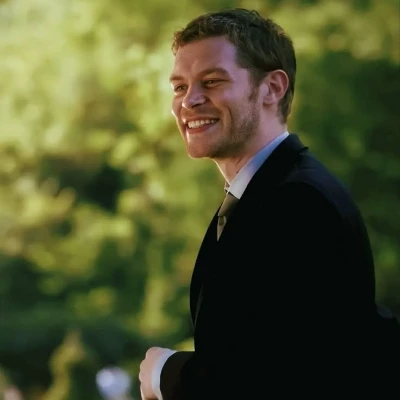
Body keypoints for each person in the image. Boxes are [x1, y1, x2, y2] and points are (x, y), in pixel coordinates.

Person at [139, 8, 399, 400]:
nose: (189, 101)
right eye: (179, 87)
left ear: (272, 88)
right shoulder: (265, 193)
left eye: (211, 81)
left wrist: (165, 372)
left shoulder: (299, 203)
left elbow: (282, 376)